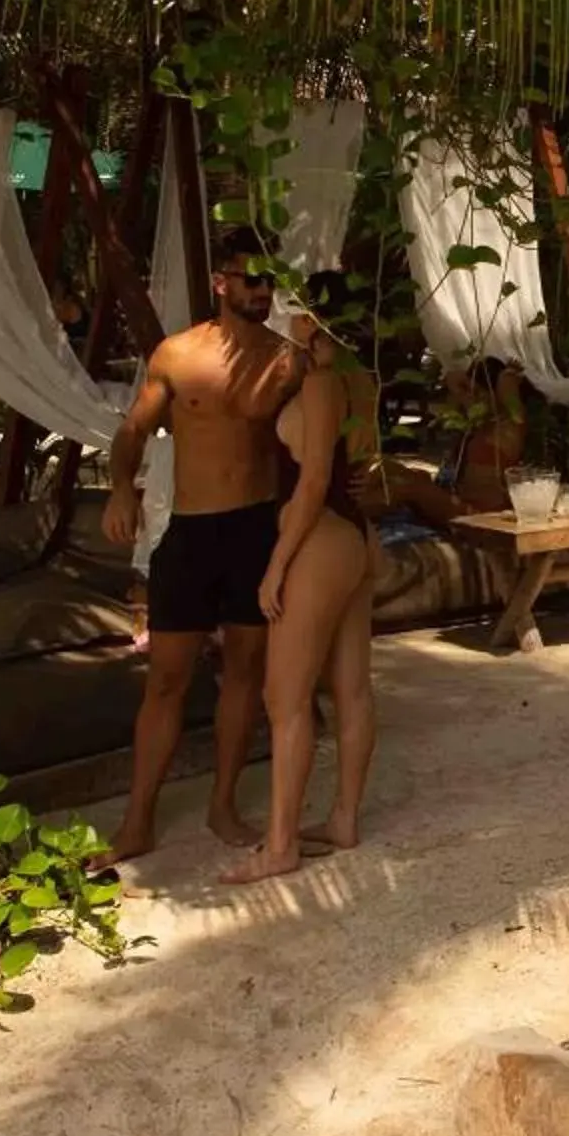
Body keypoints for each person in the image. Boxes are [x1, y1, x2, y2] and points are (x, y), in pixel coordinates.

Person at [106, 225, 303, 863]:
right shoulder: (178, 355)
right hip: (191, 532)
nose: (262, 290)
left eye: (270, 279)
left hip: (255, 531)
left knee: (245, 672)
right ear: (221, 282)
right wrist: (120, 492)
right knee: (166, 679)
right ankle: (138, 819)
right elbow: (132, 432)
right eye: (251, 279)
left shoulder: (286, 358)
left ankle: (222, 803)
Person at [223, 274, 384, 883]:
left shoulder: (318, 384)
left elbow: (314, 480)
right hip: (357, 539)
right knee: (353, 689)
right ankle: (343, 818)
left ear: (312, 321)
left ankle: (281, 843)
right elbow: (357, 467)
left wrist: (276, 563)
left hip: (318, 542)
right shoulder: (359, 380)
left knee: (284, 699)